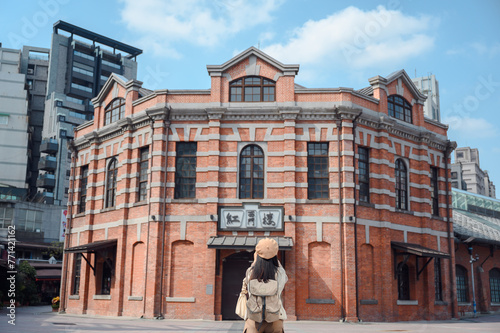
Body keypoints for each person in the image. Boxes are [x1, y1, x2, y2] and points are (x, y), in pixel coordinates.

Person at [241, 238, 288, 333]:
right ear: (275, 254)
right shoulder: (280, 273)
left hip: (253, 319)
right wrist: (272, 254)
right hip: (275, 319)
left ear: (258, 254)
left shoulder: (251, 272)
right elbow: (284, 279)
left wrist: (255, 261)